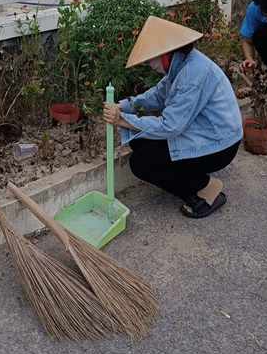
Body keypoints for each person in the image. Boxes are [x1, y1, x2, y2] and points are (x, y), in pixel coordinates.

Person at [103, 16, 243, 219]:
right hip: (203, 131)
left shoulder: (191, 76)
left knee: (140, 163)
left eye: (152, 57)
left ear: (166, 53)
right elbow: (158, 95)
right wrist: (125, 106)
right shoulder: (182, 64)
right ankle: (190, 175)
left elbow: (170, 126)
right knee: (139, 141)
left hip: (219, 145)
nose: (151, 63)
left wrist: (123, 120)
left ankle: (206, 187)